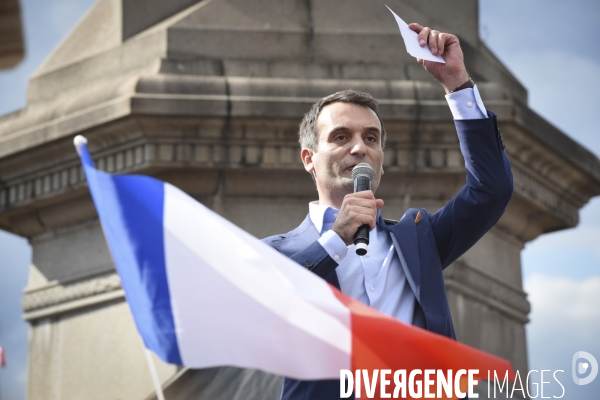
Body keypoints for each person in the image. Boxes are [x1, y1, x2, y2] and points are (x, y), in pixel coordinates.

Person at [262, 23, 513, 400]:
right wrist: (335, 240)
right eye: (341, 137)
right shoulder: (276, 253)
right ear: (309, 159)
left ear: (381, 164)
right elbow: (264, 309)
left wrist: (457, 82)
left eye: (371, 138)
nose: (360, 148)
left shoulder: (419, 239)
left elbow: (491, 190)